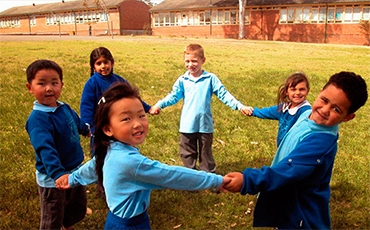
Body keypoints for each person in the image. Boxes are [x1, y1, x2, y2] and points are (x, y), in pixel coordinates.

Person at [55, 82, 230, 230]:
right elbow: (172, 176)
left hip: (119, 221)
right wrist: (216, 180)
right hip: (129, 225)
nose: (138, 123)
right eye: (126, 119)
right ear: (107, 129)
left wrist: (71, 179)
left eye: (141, 115)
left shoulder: (110, 149)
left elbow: (93, 166)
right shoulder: (130, 162)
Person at [222, 71, 368, 229]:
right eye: (324, 100)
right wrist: (253, 111)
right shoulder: (305, 113)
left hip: (301, 213)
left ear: (348, 117)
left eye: (336, 110)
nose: (325, 110)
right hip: (287, 198)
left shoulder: (321, 141)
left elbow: (290, 170)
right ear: (319, 93)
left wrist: (248, 180)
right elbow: (281, 110)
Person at [149, 44, 252, 173]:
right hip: (187, 125)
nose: (190, 64)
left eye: (194, 61)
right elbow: (173, 96)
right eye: (187, 61)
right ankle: (191, 176)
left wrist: (239, 106)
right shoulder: (183, 80)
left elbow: (224, 94)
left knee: (205, 153)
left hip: (205, 125)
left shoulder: (210, 79)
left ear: (203, 61)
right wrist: (159, 105)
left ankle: (209, 178)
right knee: (187, 153)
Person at [25, 59, 90, 230]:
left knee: (75, 208)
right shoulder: (38, 120)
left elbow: (75, 122)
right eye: (42, 83)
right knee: (52, 216)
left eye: (54, 83)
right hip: (54, 180)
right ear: (30, 88)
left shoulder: (64, 107)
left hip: (75, 171)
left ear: (62, 84)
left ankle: (67, 226)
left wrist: (86, 130)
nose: (49, 88)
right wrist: (58, 174)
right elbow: (45, 149)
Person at [80, 47, 152, 154]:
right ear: (93, 67)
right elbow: (86, 107)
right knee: (101, 156)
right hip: (100, 129)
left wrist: (147, 108)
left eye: (106, 62)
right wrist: (88, 127)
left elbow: (132, 98)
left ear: (112, 63)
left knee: (122, 151)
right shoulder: (92, 84)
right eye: (99, 63)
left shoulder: (119, 80)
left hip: (120, 126)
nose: (103, 66)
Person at [249, 72, 311, 147]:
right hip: (282, 149)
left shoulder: (306, 111)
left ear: (307, 90)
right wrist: (252, 112)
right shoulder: (284, 107)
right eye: (293, 89)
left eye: (301, 89)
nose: (297, 92)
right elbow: (268, 112)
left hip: (296, 150)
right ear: (286, 92)